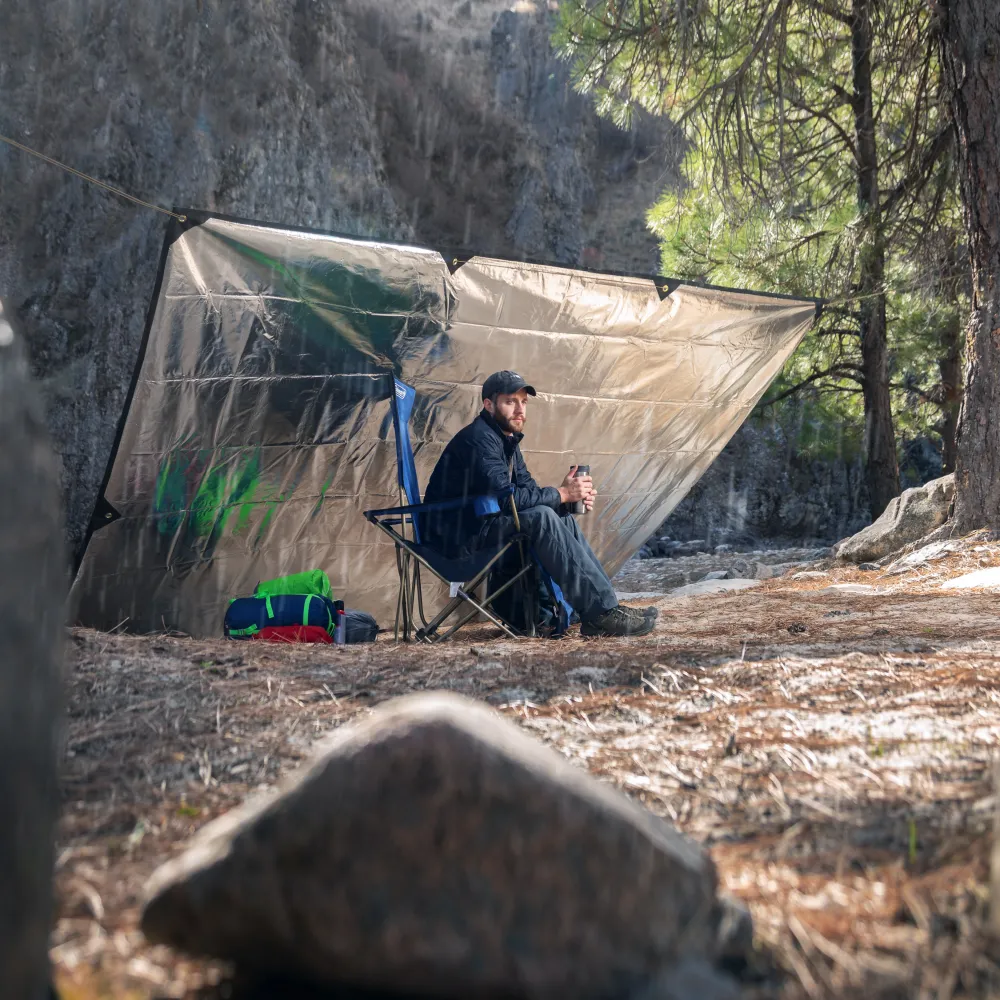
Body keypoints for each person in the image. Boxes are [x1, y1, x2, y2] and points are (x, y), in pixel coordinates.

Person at [421, 370, 657, 637]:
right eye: (511, 402)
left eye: (524, 402)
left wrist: (568, 501)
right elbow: (508, 499)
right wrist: (562, 494)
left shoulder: (506, 440)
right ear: (489, 404)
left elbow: (527, 491)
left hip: (481, 527)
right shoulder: (479, 440)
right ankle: (602, 614)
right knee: (542, 516)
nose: (520, 410)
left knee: (558, 515)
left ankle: (599, 609)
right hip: (456, 540)